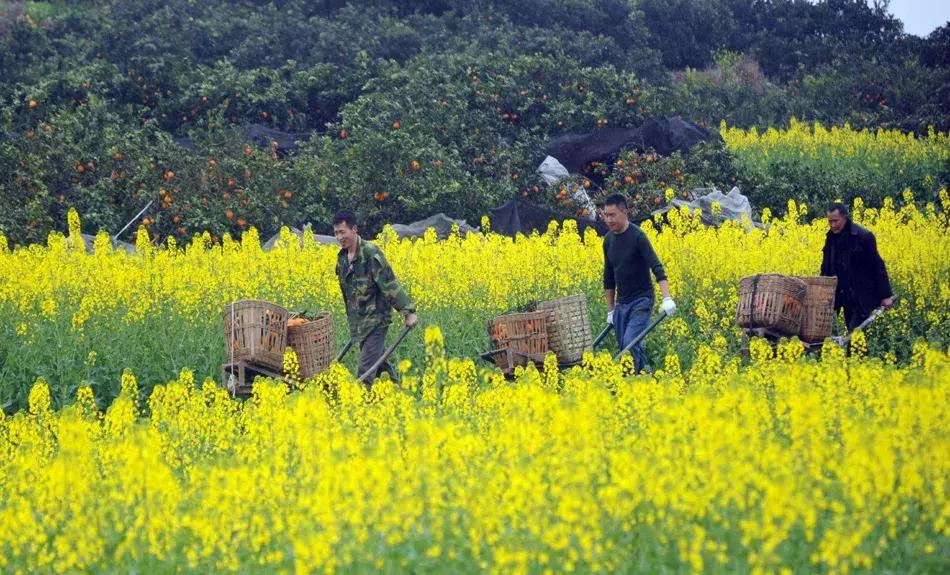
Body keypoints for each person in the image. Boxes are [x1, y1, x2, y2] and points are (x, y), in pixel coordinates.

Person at [332, 210, 418, 384]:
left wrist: (408, 312)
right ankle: (397, 393)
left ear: (354, 229)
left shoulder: (370, 253)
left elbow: (389, 283)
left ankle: (360, 399)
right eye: (336, 233)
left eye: (342, 232)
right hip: (359, 322)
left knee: (365, 370)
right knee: (380, 366)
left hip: (376, 321)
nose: (339, 237)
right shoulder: (342, 259)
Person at [601, 193, 676, 373]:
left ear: (625, 212)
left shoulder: (638, 237)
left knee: (629, 344)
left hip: (641, 300)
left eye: (612, 215)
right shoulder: (608, 241)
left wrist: (667, 298)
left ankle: (634, 379)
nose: (608, 220)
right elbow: (608, 278)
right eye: (606, 215)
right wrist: (611, 310)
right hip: (622, 303)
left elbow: (657, 267)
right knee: (625, 347)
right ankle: (647, 375)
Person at [820, 202, 893, 330]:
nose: (832, 225)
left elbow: (877, 265)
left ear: (845, 217)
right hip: (843, 296)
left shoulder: (863, 237)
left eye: (836, 221)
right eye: (830, 221)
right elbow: (826, 266)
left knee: (855, 333)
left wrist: (885, 296)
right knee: (850, 331)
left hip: (862, 296)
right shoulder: (831, 238)